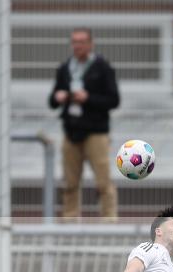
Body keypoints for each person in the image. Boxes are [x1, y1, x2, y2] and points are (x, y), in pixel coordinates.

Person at [49, 28, 120, 221]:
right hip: (71, 131)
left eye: (82, 41)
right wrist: (59, 97)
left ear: (90, 43)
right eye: (74, 42)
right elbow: (52, 101)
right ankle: (70, 219)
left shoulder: (102, 67)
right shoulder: (65, 68)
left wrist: (88, 98)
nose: (78, 46)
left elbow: (113, 100)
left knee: (103, 181)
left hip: (96, 132)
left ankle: (109, 220)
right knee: (69, 181)